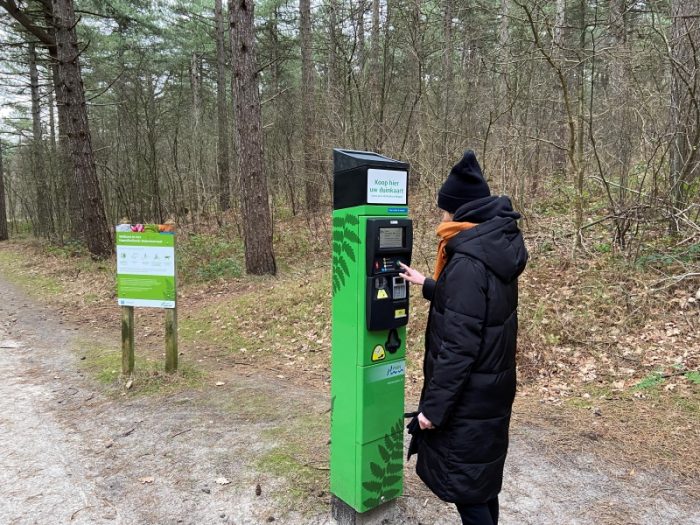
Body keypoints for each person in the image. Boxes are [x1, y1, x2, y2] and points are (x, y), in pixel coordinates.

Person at [399, 150, 528, 525]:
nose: (442, 219)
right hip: (491, 390)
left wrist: (432, 411)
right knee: (482, 484)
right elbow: (477, 310)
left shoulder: (467, 263)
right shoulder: (493, 247)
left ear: (459, 212)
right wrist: (430, 284)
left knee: (467, 493)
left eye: (445, 211)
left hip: (466, 399)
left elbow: (458, 348)